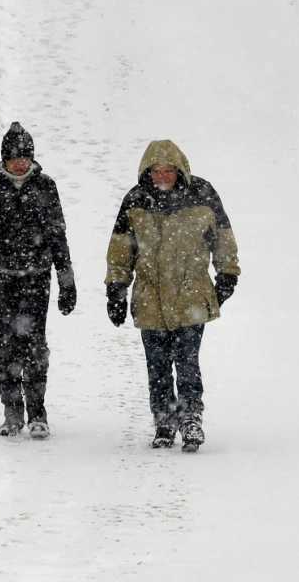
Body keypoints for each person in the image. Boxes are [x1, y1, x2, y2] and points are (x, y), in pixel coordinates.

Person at [105, 140, 240, 452]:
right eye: (156, 171)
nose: (162, 176)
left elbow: (224, 239)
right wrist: (116, 289)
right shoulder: (136, 200)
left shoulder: (203, 195)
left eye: (168, 170)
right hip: (150, 296)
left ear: (179, 171)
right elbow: (120, 251)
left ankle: (191, 416)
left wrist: (227, 275)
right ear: (147, 172)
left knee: (187, 359)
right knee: (158, 363)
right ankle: (164, 417)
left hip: (191, 294)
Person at [0, 122, 77, 439]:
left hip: (36, 277)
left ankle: (37, 412)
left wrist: (67, 281)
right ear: (4, 159)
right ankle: (12, 412)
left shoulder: (45, 187)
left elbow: (57, 235)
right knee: (4, 343)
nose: (20, 163)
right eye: (14, 158)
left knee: (34, 344)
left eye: (25, 157)